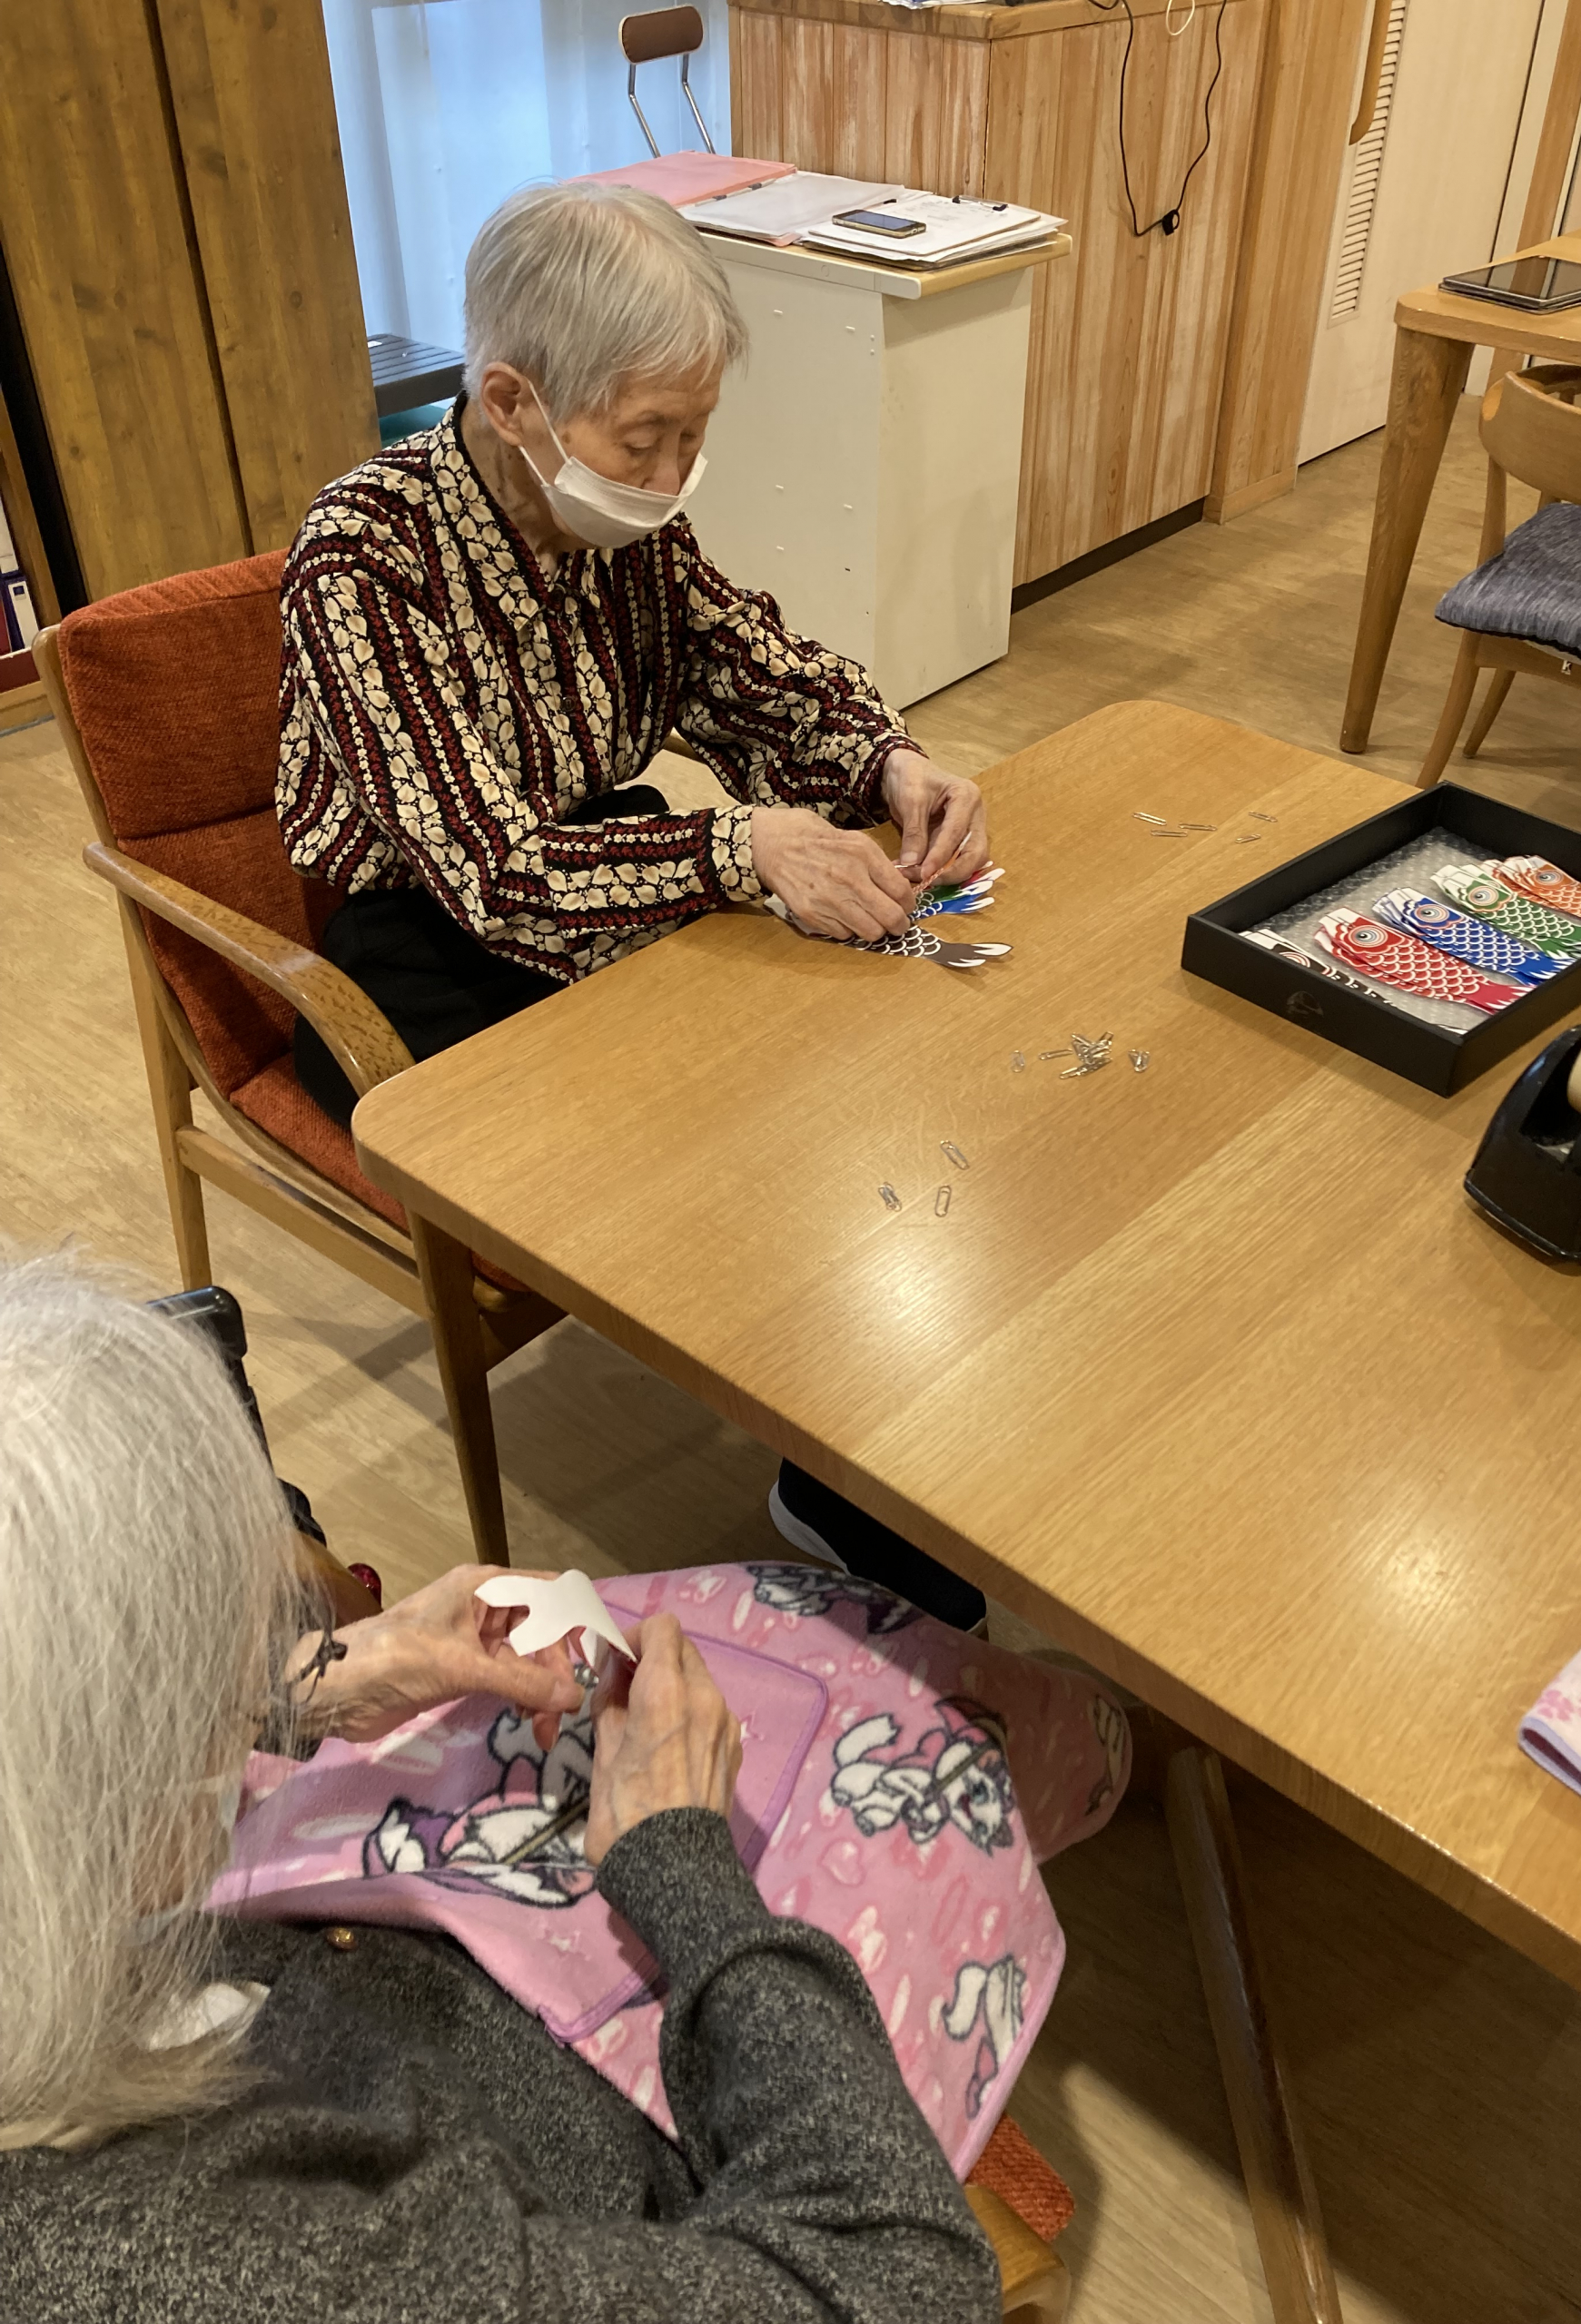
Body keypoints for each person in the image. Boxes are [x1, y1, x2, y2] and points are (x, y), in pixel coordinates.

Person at [0, 1255, 999, 2322]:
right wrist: (683, 1866)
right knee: (949, 1740)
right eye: (210, 1691)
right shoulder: (220, 2257)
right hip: (628, 2152)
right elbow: (908, 2281)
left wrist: (313, 1686)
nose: (247, 1699)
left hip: (397, 2004)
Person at [278, 179, 988, 1629]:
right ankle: (824, 1458)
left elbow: (750, 667)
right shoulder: (365, 557)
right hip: (411, 949)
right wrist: (741, 849)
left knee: (821, 1054)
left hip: (591, 858)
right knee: (707, 1128)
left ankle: (855, 1441)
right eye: (645, 438)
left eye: (693, 435)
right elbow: (488, 870)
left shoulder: (627, 527)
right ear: (512, 401)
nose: (672, 474)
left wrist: (888, 759)